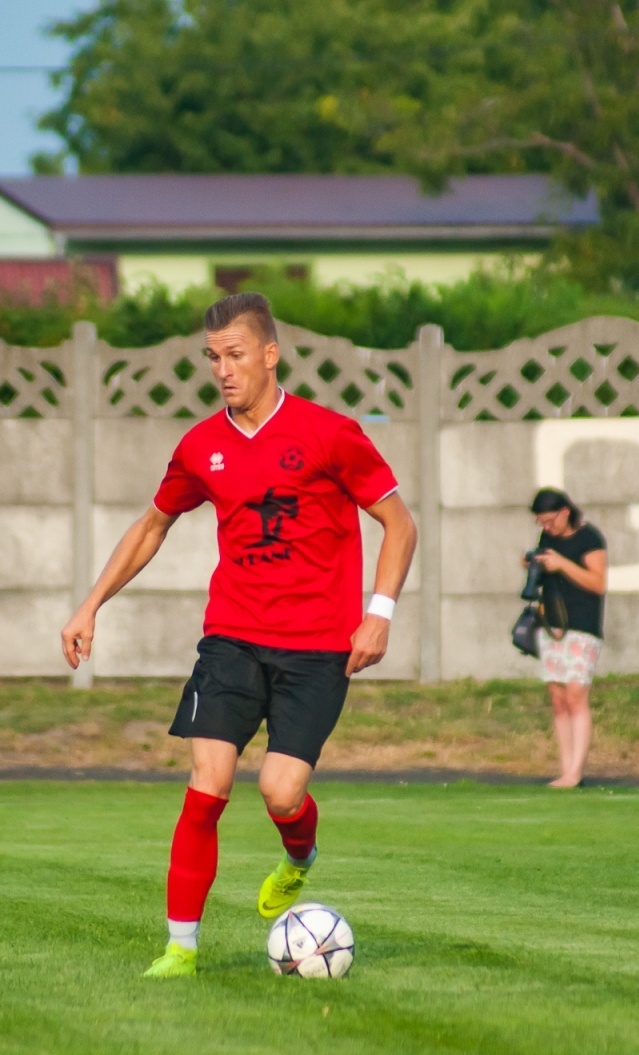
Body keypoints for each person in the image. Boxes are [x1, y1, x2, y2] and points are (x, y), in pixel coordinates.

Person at [60, 292, 417, 977]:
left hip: (317, 646)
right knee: (209, 780)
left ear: (270, 354)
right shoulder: (200, 446)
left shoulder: (330, 433)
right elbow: (152, 526)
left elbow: (399, 522)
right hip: (231, 638)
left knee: (281, 792)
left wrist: (380, 611)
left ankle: (299, 856)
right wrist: (91, 604)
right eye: (213, 358)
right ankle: (180, 949)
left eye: (236, 354)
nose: (223, 370)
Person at [526, 488, 607, 788]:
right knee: (558, 698)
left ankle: (576, 772)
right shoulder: (548, 539)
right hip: (553, 626)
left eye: (549, 521)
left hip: (582, 626)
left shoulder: (590, 539)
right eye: (540, 523)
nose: (546, 528)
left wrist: (562, 564)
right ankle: (565, 769)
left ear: (564, 512)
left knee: (576, 694)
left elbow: (597, 583)